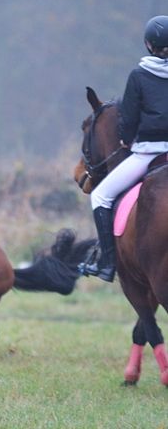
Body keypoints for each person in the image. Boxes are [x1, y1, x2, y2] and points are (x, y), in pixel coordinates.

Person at [79, 15, 168, 282]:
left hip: (148, 152)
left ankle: (107, 263)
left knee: (101, 197)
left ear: (148, 45)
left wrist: (125, 140)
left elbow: (127, 118)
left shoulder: (139, 75)